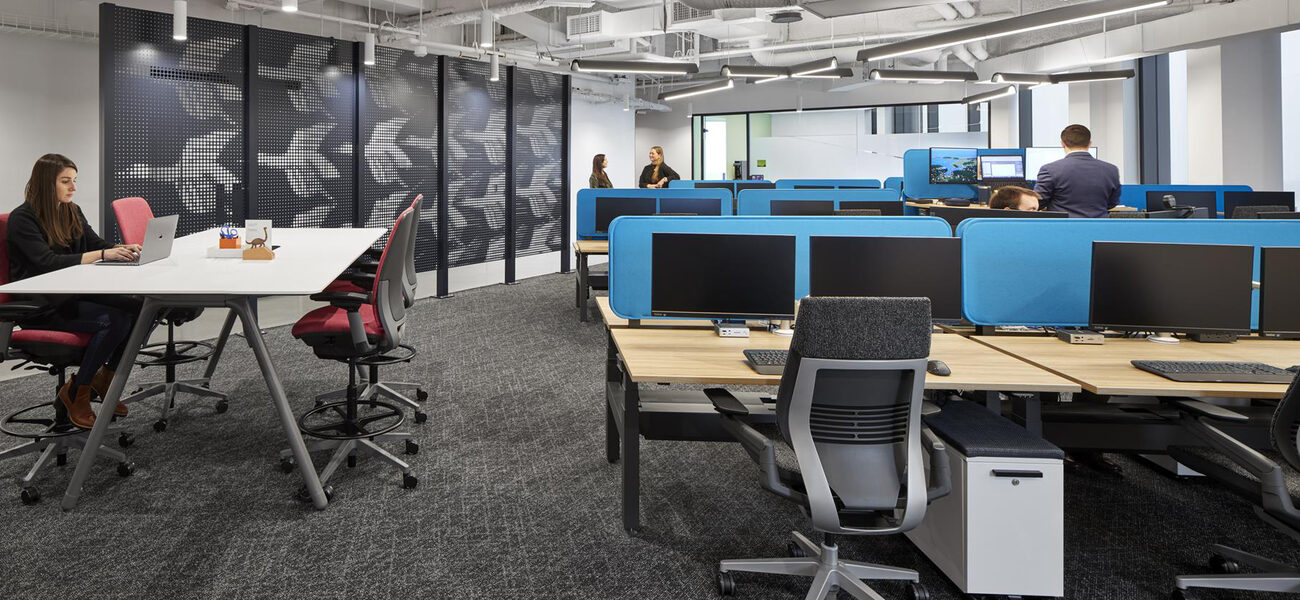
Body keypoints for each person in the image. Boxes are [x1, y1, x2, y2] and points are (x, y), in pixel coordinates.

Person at [7, 154, 144, 429]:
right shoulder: (22, 219)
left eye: (74, 181)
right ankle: (77, 391)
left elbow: (94, 243)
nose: (73, 187)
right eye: (65, 181)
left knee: (142, 306)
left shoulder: (71, 210)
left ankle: (107, 376)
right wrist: (101, 254)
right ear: (47, 184)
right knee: (114, 320)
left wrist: (122, 250)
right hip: (43, 306)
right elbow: (47, 263)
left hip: (72, 295)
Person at [1032, 124, 1120, 218]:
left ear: (1062, 143)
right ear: (1089, 143)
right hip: (1098, 228)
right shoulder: (1111, 170)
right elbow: (1112, 202)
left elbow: (1038, 202)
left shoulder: (1049, 169)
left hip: (1063, 228)